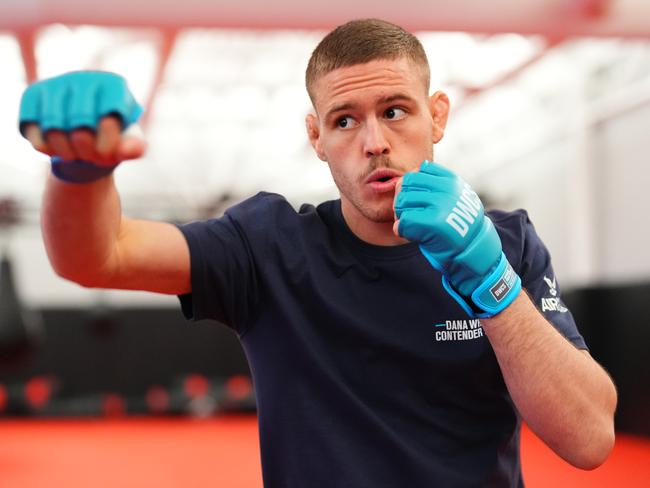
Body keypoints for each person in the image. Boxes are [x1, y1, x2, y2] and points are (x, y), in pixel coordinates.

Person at [19, 18, 616, 488]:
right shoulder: (269, 246)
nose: (375, 142)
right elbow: (100, 255)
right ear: (317, 138)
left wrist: (492, 282)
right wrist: (79, 174)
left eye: (395, 111)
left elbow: (589, 439)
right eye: (345, 120)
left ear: (436, 117)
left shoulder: (507, 243)